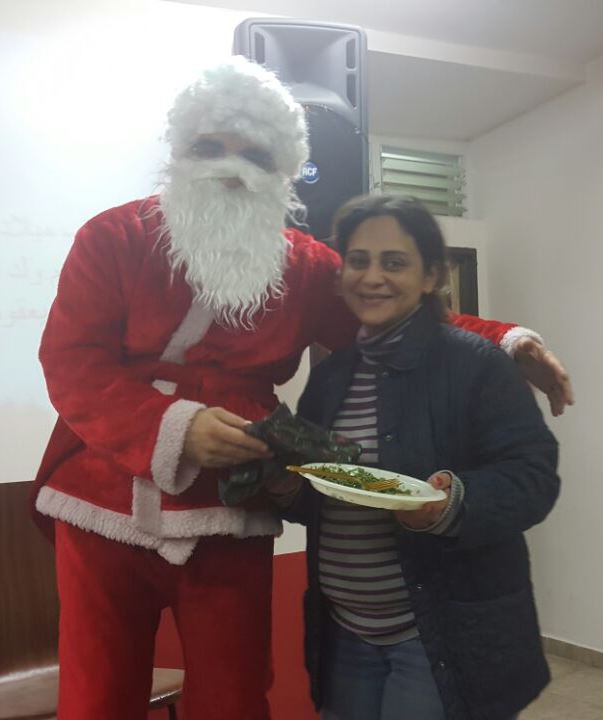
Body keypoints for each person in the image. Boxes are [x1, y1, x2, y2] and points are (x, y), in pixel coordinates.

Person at [32, 57, 569, 720]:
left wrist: (507, 339)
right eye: (208, 148)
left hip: (233, 501)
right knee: (97, 694)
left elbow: (394, 315)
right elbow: (72, 361)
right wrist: (174, 427)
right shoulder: (113, 236)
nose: (229, 169)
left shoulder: (306, 266)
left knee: (233, 695)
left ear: (283, 173)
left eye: (254, 155)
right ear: (179, 153)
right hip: (103, 494)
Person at [270, 194, 560, 720]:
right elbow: (323, 496)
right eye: (358, 261)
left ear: (431, 277)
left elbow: (533, 478)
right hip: (343, 633)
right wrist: (285, 487)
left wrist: (449, 505)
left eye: (394, 262)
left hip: (437, 635)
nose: (372, 277)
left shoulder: (478, 365)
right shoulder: (331, 378)